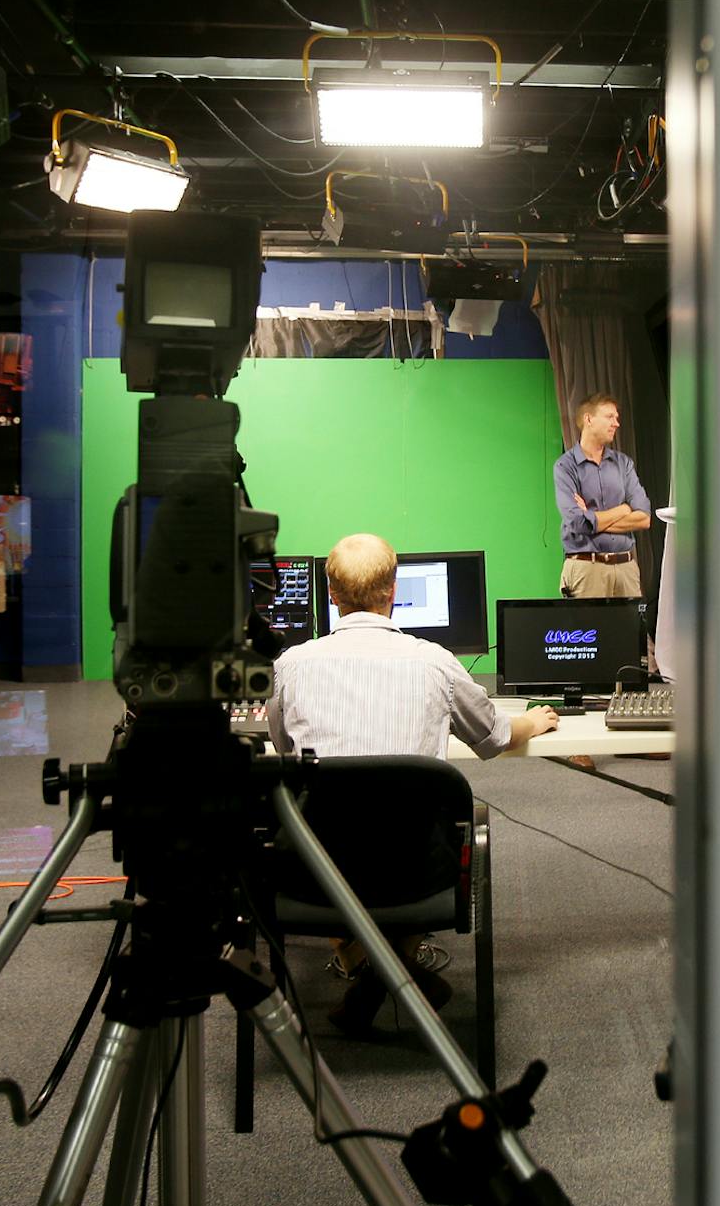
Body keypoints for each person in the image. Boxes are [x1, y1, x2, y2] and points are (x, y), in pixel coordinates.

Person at [267, 533, 560, 1031]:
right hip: (418, 871)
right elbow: (494, 736)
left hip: (314, 872)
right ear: (393, 589)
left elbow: (284, 747)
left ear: (331, 594)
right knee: (437, 825)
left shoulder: (290, 666)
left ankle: (366, 964)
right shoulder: (436, 663)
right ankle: (399, 968)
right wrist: (533, 722)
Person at [554, 392, 651, 599]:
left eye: (616, 418)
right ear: (589, 419)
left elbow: (644, 518)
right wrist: (624, 509)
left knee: (629, 632)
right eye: (610, 417)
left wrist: (591, 515)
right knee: (589, 631)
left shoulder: (623, 464)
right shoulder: (565, 467)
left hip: (626, 569)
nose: (616, 423)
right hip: (586, 569)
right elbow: (576, 522)